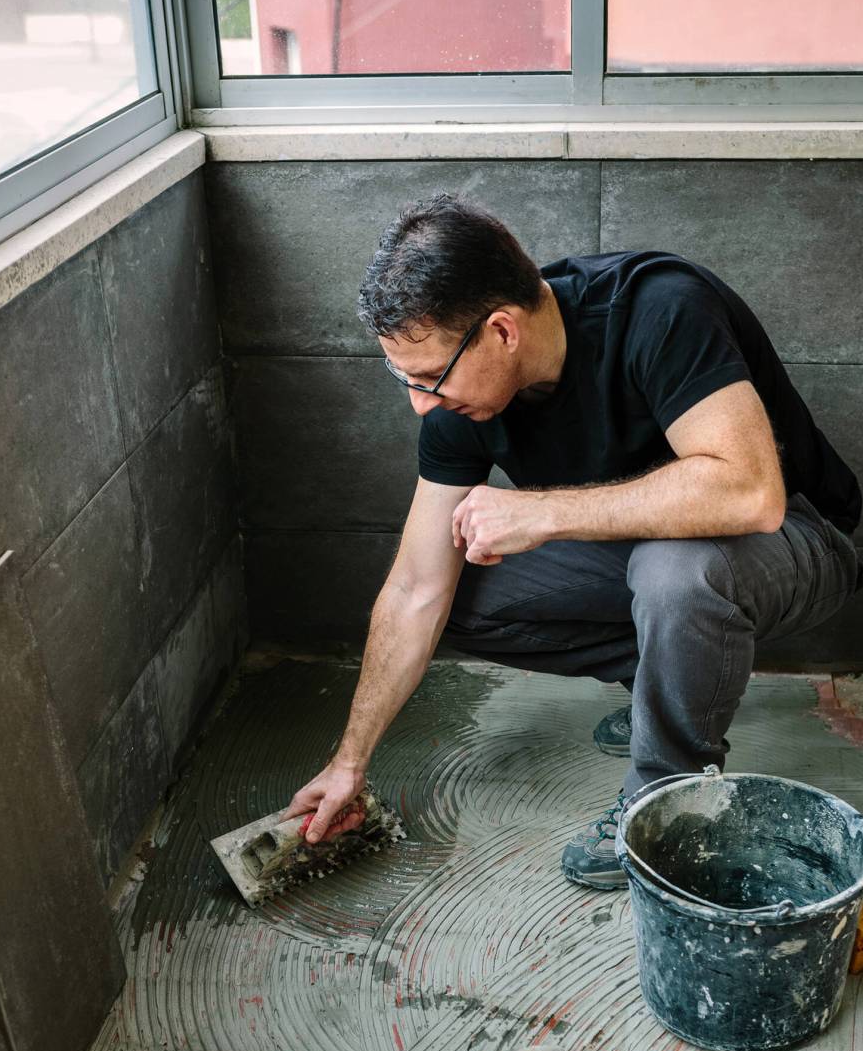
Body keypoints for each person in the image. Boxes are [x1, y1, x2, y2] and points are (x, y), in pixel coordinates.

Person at [284, 193, 862, 890]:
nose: (420, 402)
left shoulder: (659, 309)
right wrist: (349, 761)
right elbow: (414, 587)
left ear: (502, 330)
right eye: (403, 379)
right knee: (458, 592)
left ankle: (663, 802)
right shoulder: (461, 401)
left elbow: (750, 492)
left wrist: (546, 513)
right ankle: (664, 689)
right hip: (657, 552)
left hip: (798, 532)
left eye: (431, 377)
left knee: (674, 570)